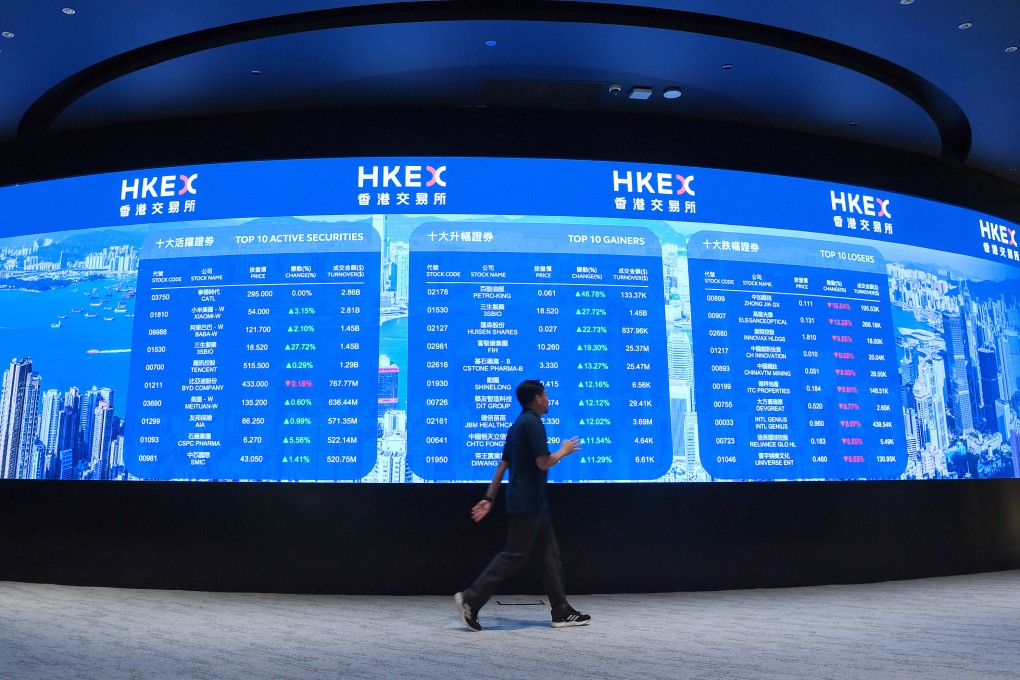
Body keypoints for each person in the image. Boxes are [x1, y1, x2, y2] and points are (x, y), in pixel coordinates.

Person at [454, 379, 592, 631]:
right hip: (528, 503)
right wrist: (564, 450)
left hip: (531, 503)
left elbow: (502, 465)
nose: (549, 399)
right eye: (546, 395)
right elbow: (543, 462)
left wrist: (488, 498)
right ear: (537, 399)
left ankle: (561, 611)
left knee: (550, 556)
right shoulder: (533, 424)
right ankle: (470, 600)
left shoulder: (516, 425)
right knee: (515, 554)